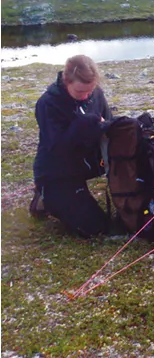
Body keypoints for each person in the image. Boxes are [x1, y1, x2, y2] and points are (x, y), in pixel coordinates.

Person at [32, 55, 112, 237]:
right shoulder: (48, 104)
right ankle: (45, 195)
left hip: (91, 163)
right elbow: (58, 148)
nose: (85, 96)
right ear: (66, 82)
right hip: (58, 171)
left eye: (89, 92)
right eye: (79, 92)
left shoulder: (96, 94)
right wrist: (82, 125)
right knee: (96, 228)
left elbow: (107, 123)